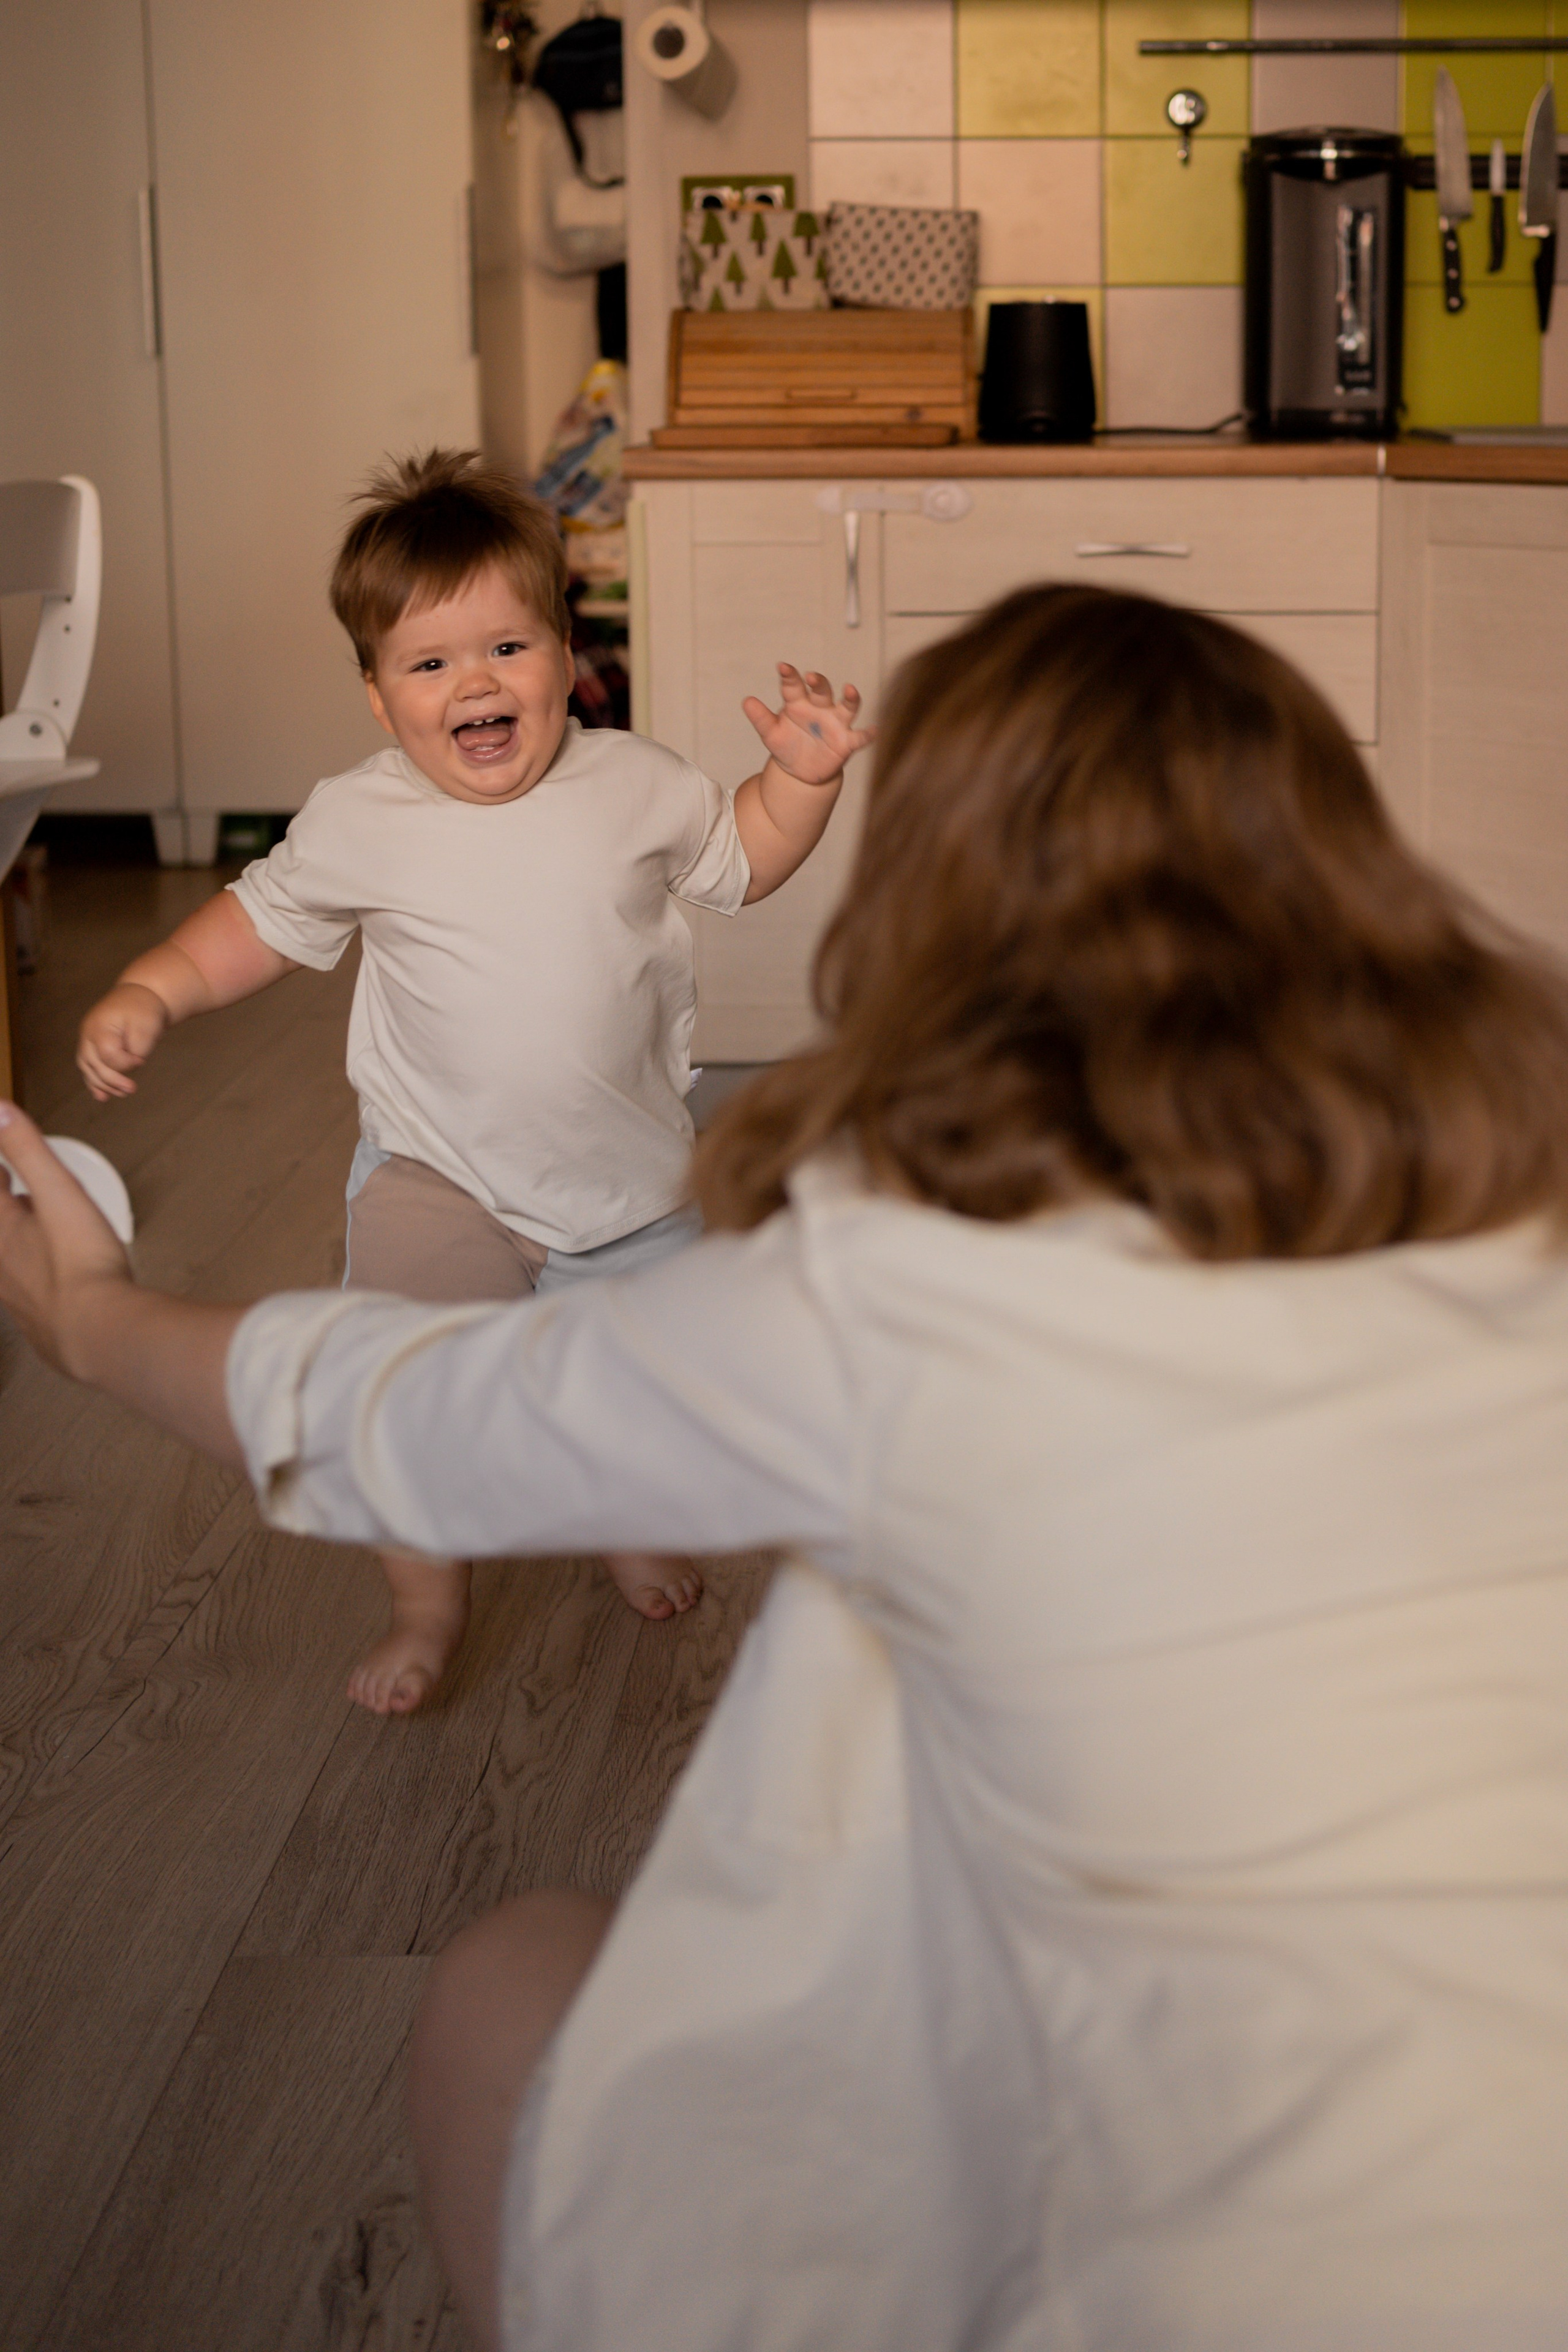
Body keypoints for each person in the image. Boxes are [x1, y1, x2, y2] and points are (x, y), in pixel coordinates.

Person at [7, 583, 1568, 2352]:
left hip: (1084, 2253)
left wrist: (97, 1321)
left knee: (510, 1978)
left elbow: (423, 1418)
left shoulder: (898, 1294)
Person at [73, 448, 870, 1714]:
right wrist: (154, 987)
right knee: (409, 1399)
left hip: (627, 1180)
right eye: (429, 665)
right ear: (380, 698)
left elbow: (742, 861)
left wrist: (803, 780)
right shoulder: (359, 817)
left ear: (566, 654)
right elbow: (257, 926)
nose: (474, 685)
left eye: (507, 648)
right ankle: (424, 1606)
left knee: (641, 1399)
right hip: (434, 1177)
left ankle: (624, 1515)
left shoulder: (635, 781)